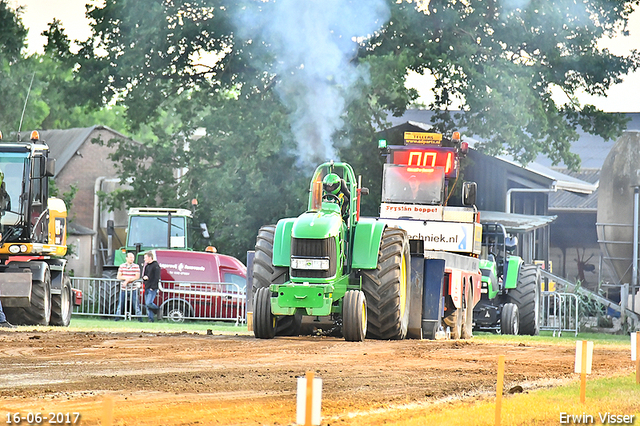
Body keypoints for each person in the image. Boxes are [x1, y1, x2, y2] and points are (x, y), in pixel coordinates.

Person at [115, 252, 142, 321]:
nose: (132, 259)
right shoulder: (122, 266)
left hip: (133, 288)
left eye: (133, 257)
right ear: (126, 258)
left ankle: (140, 319)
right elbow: (118, 276)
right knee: (120, 304)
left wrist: (127, 281)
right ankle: (117, 318)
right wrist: (127, 279)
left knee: (136, 304)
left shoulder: (136, 266)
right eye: (130, 257)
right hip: (123, 288)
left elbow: (137, 276)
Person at [142, 252, 161, 322]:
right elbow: (144, 275)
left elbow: (156, 277)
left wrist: (153, 287)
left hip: (152, 288)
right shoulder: (147, 266)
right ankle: (150, 318)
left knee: (148, 303)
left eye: (145, 257)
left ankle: (157, 309)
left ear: (150, 257)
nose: (144, 259)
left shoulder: (156, 266)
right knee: (147, 305)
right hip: (147, 286)